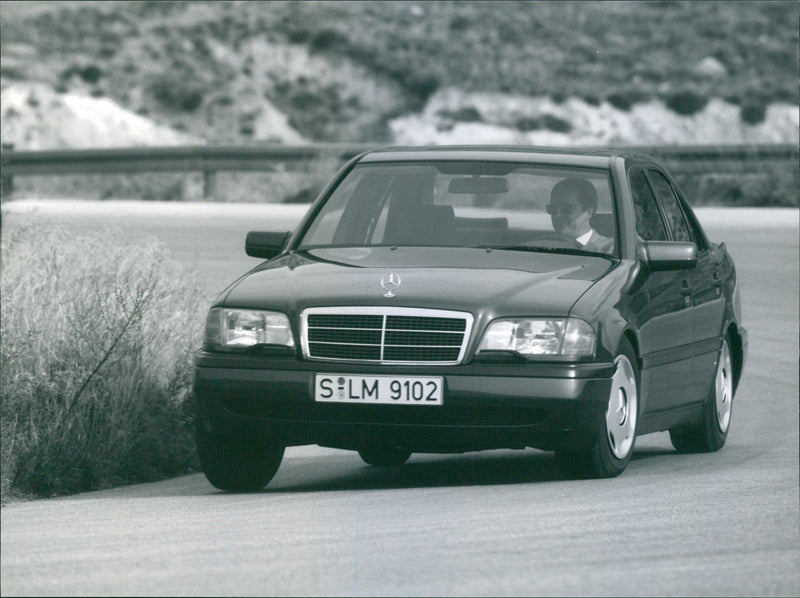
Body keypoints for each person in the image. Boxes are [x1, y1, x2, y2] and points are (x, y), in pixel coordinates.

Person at [546, 177, 614, 253]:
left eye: (566, 209)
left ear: (588, 212)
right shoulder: (545, 246)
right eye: (552, 209)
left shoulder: (609, 248)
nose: (557, 215)